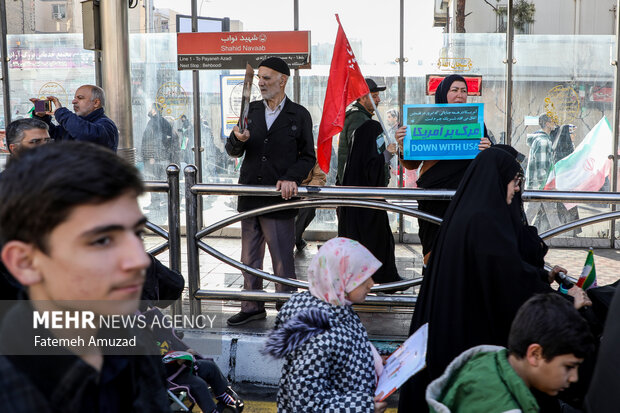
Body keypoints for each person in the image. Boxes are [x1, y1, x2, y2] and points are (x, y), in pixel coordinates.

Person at [397, 146, 591, 413]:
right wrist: (565, 304)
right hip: (468, 352)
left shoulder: (469, 215)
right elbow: (510, 286)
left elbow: (502, 270)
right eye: (514, 182)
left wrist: (542, 275)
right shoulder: (484, 222)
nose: (516, 190)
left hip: (449, 341)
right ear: (498, 180)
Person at [0, 142, 170, 411]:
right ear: (25, 262)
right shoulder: (13, 386)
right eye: (102, 240)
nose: (139, 261)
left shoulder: (131, 343)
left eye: (137, 233)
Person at [225, 57, 315, 326]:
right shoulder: (249, 110)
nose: (261, 83)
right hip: (251, 192)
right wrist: (235, 139)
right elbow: (233, 151)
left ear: (282, 80)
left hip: (279, 198)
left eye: (266, 78)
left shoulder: (299, 114)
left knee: (281, 259)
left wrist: (291, 178)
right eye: (259, 78)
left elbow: (308, 157)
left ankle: (287, 308)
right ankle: (252, 305)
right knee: (249, 257)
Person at [264, 237, 388, 413]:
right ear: (339, 279)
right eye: (362, 278)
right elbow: (306, 403)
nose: (371, 284)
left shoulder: (337, 306)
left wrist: (371, 359)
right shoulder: (315, 333)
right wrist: (364, 407)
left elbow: (345, 352)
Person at [426, 294, 595, 413]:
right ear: (535, 354)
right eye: (568, 367)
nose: (574, 377)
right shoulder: (502, 407)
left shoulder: (486, 361)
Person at [396, 74, 493, 265]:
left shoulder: (476, 122)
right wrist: (402, 146)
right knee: (433, 249)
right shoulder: (424, 119)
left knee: (463, 247)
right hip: (433, 196)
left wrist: (487, 149)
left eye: (464, 91)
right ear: (442, 93)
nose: (460, 95)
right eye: (454, 90)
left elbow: (483, 160)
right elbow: (412, 164)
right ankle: (432, 288)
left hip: (465, 194)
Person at [338, 120, 401, 284]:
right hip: (369, 209)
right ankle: (379, 278)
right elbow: (371, 171)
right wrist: (387, 154)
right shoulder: (364, 159)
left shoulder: (354, 159)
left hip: (360, 210)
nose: (380, 139)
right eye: (378, 136)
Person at [31, 84, 119, 152]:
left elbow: (86, 134)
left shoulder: (106, 125)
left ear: (96, 103)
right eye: (74, 98)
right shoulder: (75, 123)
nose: (73, 101)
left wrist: (61, 113)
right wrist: (42, 118)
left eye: (80, 98)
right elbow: (53, 135)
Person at [336, 78, 386, 185]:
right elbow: (361, 154)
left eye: (378, 96)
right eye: (374, 96)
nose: (378, 100)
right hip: (358, 184)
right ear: (363, 98)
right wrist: (387, 154)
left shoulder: (359, 116)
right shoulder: (358, 118)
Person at [294, 155, 327, 253]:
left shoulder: (314, 153)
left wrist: (306, 193)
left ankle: (295, 238)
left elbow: (319, 177)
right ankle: (296, 239)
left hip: (306, 191)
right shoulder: (284, 149)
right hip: (286, 190)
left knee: (307, 207)